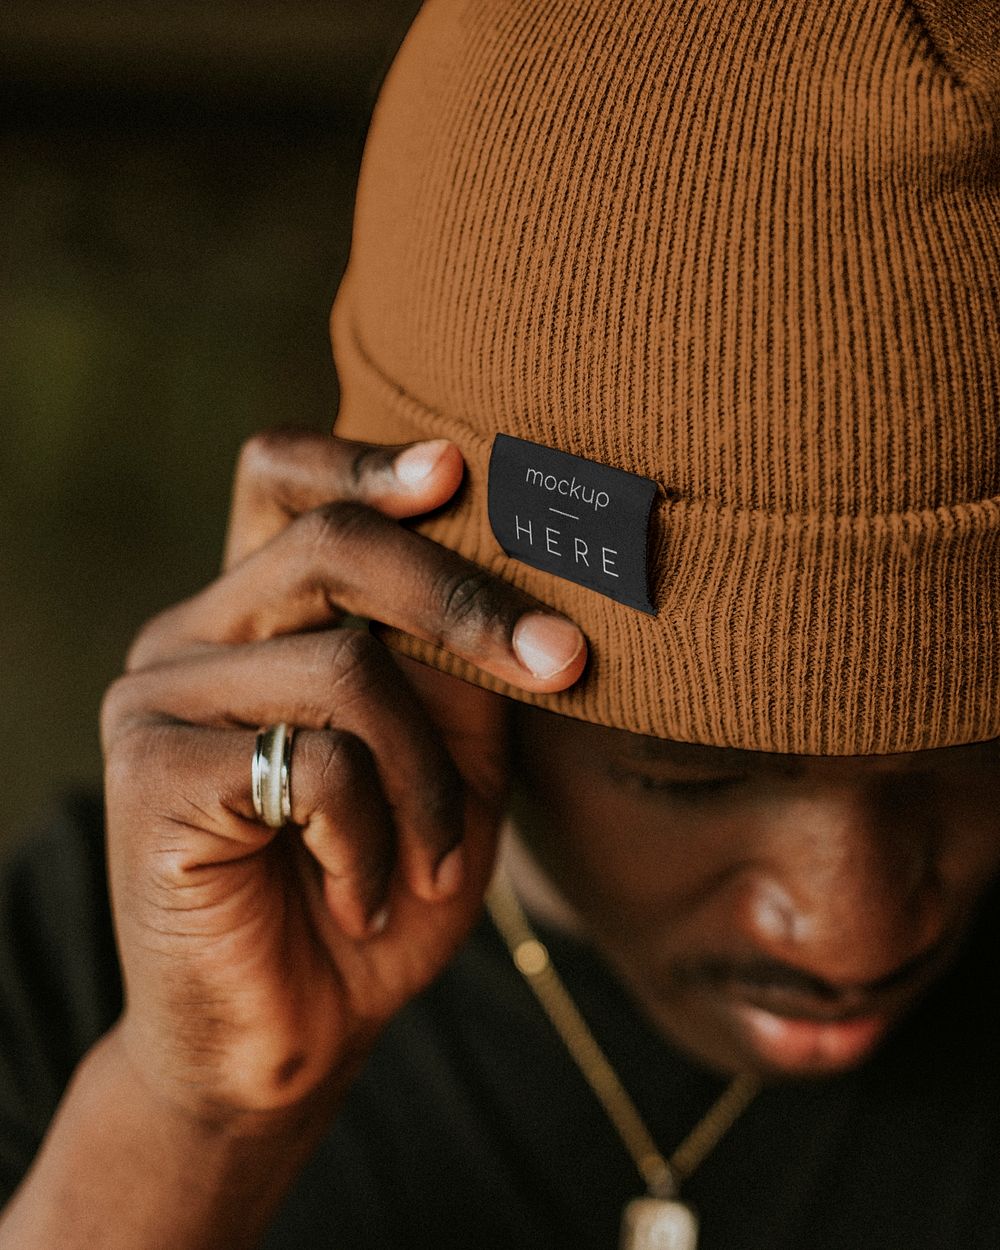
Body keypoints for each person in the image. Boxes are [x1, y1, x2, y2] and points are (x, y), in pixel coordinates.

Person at [2, 1, 999, 1247]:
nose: (857, 924)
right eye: (683, 776)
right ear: (408, 630)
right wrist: (194, 1123)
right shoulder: (97, 968)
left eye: (974, 748)